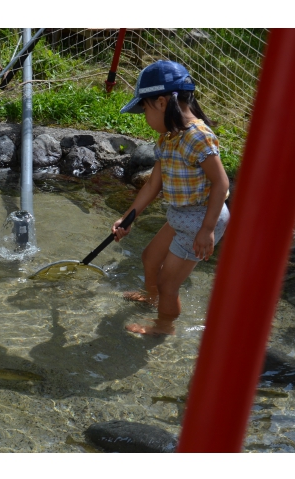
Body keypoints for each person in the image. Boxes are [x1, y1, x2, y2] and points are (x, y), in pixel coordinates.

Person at [112, 60, 230, 336]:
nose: (144, 117)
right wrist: (128, 218)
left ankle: (164, 326)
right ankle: (152, 299)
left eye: (144, 109)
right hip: (183, 214)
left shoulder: (197, 137)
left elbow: (221, 182)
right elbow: (154, 183)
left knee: (169, 283)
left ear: (162, 102)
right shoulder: (168, 138)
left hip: (202, 218)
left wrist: (207, 230)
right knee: (150, 259)